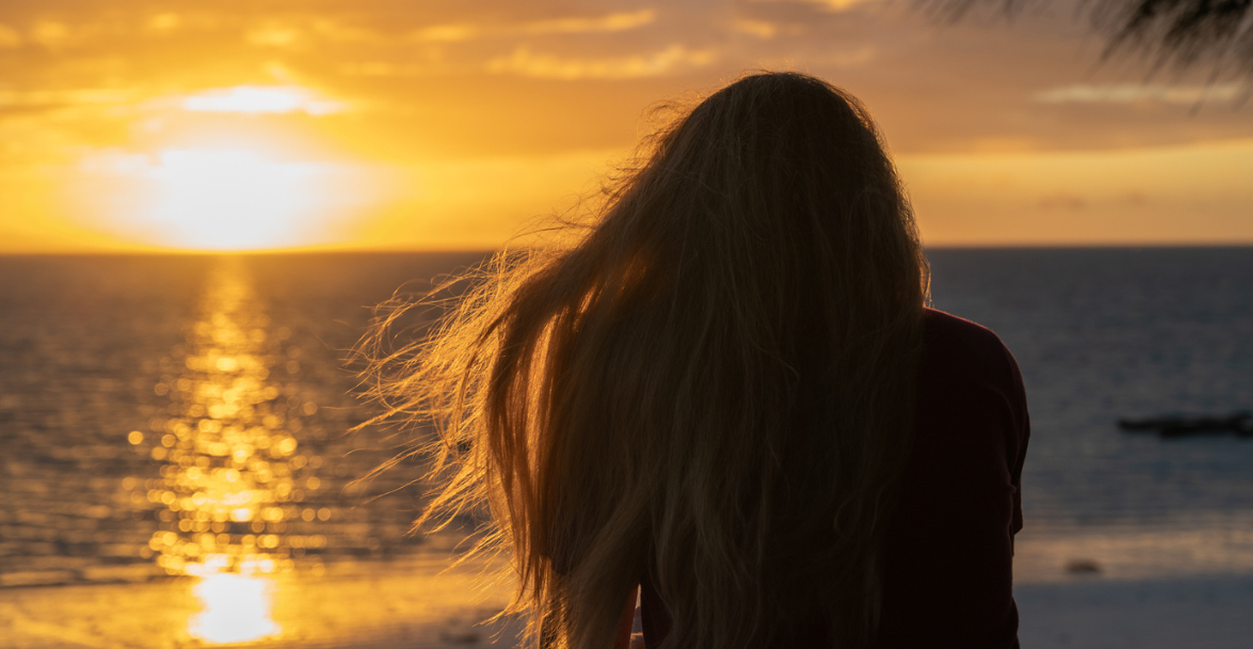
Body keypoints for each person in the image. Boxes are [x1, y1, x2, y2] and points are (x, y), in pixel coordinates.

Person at [360, 71, 1030, 649]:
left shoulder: (630, 362)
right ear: (874, 208)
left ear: (676, 213)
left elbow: (595, 607)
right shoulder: (970, 364)